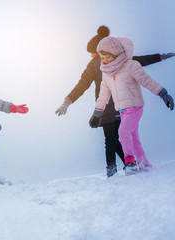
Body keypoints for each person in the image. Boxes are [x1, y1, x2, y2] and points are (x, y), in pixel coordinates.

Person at [55, 25, 175, 177]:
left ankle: (120, 167)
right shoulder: (114, 63)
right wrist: (162, 56)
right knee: (123, 136)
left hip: (117, 106)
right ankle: (133, 164)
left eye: (91, 52)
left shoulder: (102, 64)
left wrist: (68, 101)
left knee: (115, 137)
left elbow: (82, 84)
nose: (93, 56)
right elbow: (143, 61)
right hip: (118, 106)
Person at [89, 36, 174, 175]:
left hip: (134, 107)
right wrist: (97, 112)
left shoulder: (130, 65)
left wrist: (163, 94)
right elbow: (103, 95)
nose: (103, 61)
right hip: (122, 110)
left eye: (107, 57)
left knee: (122, 132)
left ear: (116, 54)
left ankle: (130, 162)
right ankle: (145, 164)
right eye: (101, 57)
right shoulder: (106, 73)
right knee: (133, 139)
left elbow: (147, 81)